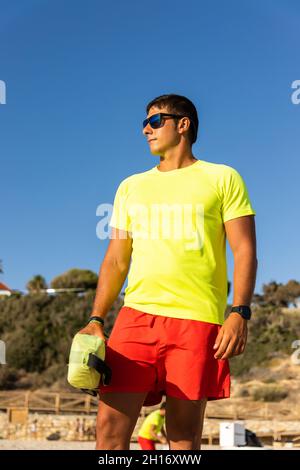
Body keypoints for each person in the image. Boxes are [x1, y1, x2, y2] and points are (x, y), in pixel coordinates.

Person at [78, 94, 257, 450]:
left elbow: (244, 249)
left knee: (183, 437)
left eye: (156, 120)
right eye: (144, 123)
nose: (146, 128)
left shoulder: (223, 177)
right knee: (109, 431)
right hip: (136, 318)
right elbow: (116, 259)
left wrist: (239, 311)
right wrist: (96, 318)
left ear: (183, 124)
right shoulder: (130, 186)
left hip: (197, 320)